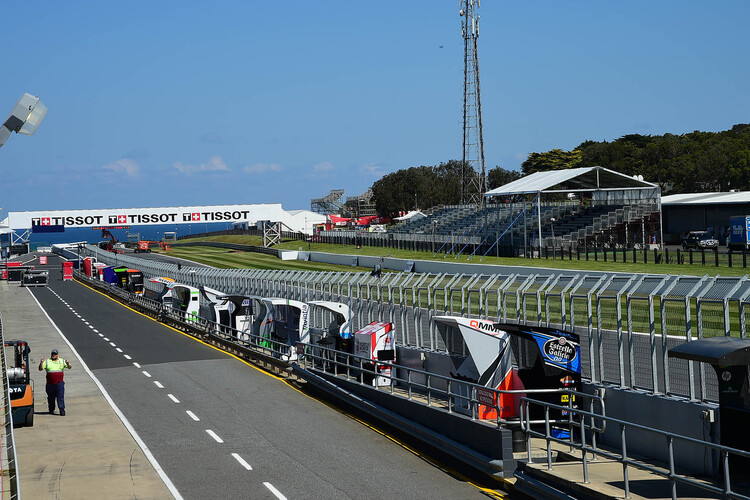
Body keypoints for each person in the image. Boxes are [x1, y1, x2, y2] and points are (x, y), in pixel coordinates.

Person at [38, 349, 72, 416]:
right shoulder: (47, 361)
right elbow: (40, 369)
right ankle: (51, 409)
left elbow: (69, 367)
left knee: (60, 397)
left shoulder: (62, 361)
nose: (53, 355)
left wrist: (67, 363)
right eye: (52, 354)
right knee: (51, 397)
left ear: (57, 355)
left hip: (59, 383)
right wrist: (41, 362)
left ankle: (62, 410)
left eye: (54, 354)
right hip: (50, 384)